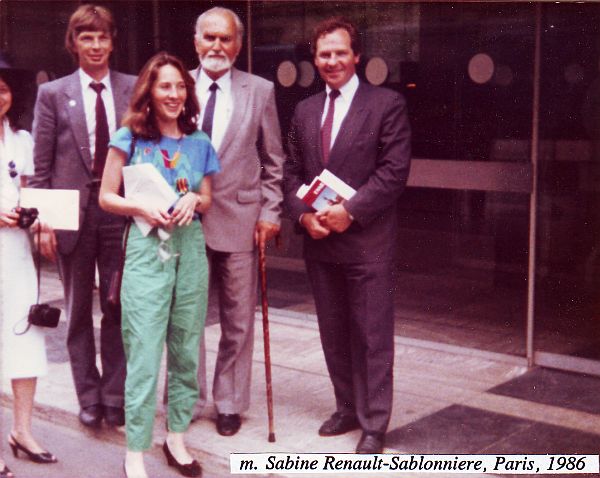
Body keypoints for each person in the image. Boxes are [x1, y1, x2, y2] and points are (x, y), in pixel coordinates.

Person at [283, 17, 411, 454]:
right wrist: (303, 217)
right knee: (333, 330)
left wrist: (349, 213)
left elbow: (394, 173)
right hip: (319, 240)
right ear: (314, 59)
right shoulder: (304, 110)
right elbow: (291, 172)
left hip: (367, 241)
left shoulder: (386, 104)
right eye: (323, 54)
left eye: (340, 52)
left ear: (357, 55)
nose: (331, 61)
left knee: (372, 334)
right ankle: (347, 408)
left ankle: (374, 422)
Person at [99, 52, 219, 478]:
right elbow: (106, 197)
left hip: (190, 248)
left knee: (186, 348)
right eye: (165, 85)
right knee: (145, 351)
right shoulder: (129, 137)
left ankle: (177, 437)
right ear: (149, 90)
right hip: (146, 250)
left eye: (180, 86)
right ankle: (135, 450)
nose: (173, 94)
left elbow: (205, 197)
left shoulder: (199, 141)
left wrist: (193, 199)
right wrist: (142, 208)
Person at [29, 4, 135, 428]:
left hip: (118, 211)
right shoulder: (53, 93)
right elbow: (40, 168)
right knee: (76, 312)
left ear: (113, 42)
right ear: (73, 44)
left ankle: (114, 395)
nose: (95, 45)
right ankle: (87, 397)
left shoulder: (131, 88)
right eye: (86, 37)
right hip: (71, 217)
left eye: (102, 37)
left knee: (117, 306)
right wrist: (42, 221)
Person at [190, 6, 285, 436]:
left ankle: (229, 402)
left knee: (238, 319)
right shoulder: (175, 86)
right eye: (209, 37)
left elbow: (273, 160)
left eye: (225, 39)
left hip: (241, 219)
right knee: (187, 317)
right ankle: (187, 398)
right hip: (186, 221)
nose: (216, 46)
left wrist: (269, 212)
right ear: (196, 42)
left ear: (239, 45)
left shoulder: (260, 90)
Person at [0, 60, 57, 478]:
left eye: (3, 88)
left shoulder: (21, 140)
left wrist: (36, 217)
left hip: (18, 257)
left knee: (26, 342)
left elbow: (34, 191)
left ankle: (22, 431)